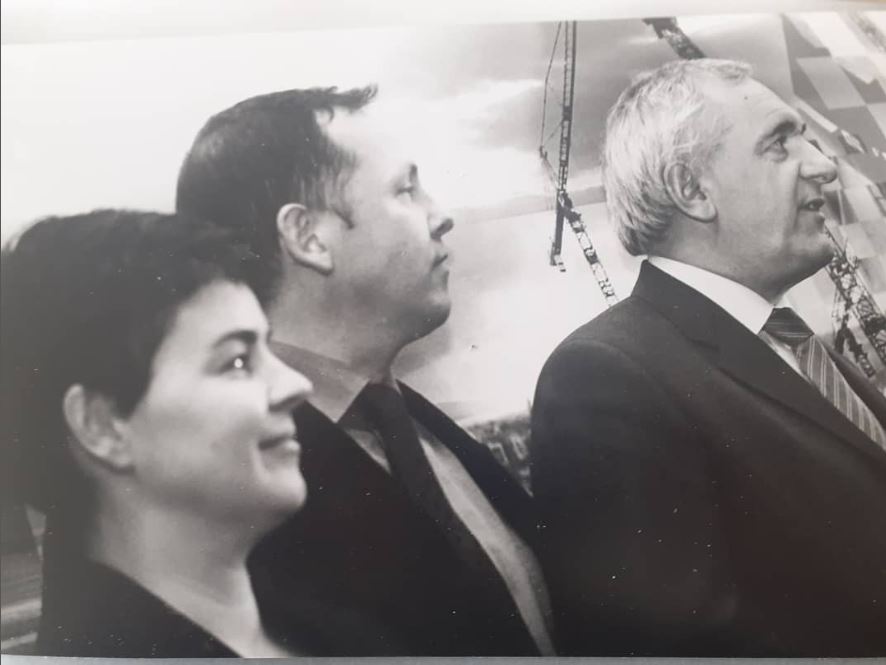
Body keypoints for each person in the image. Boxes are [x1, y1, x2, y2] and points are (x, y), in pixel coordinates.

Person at [175, 87, 553, 655]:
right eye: (406, 190)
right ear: (309, 238)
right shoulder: (218, 510)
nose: (442, 216)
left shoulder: (411, 425)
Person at [531, 59, 886, 657]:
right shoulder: (605, 376)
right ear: (693, 190)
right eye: (779, 143)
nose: (823, 166)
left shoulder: (788, 341)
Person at [0, 210, 317, 657]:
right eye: (237, 361)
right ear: (102, 425)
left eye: (268, 347)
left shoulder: (331, 623)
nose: (297, 384)